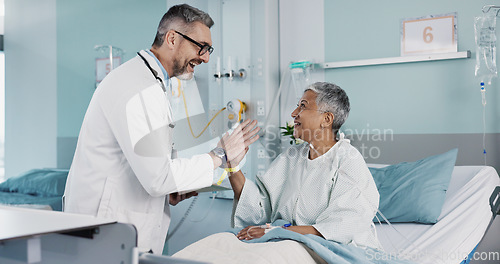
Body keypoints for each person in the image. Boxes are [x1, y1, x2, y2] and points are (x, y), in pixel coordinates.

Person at [63, 4, 260, 254]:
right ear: (172, 38)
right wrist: (219, 156)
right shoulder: (137, 87)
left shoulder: (151, 83)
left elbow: (149, 169)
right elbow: (158, 178)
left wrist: (170, 192)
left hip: (116, 231)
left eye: (209, 50)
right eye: (201, 47)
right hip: (105, 233)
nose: (206, 57)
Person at [229, 82, 381, 250]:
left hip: (326, 248)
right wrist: (232, 166)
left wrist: (277, 231)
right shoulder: (291, 157)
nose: (294, 113)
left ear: (326, 119)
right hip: (285, 242)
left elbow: (342, 227)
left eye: (303, 106)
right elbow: (258, 209)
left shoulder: (348, 160)